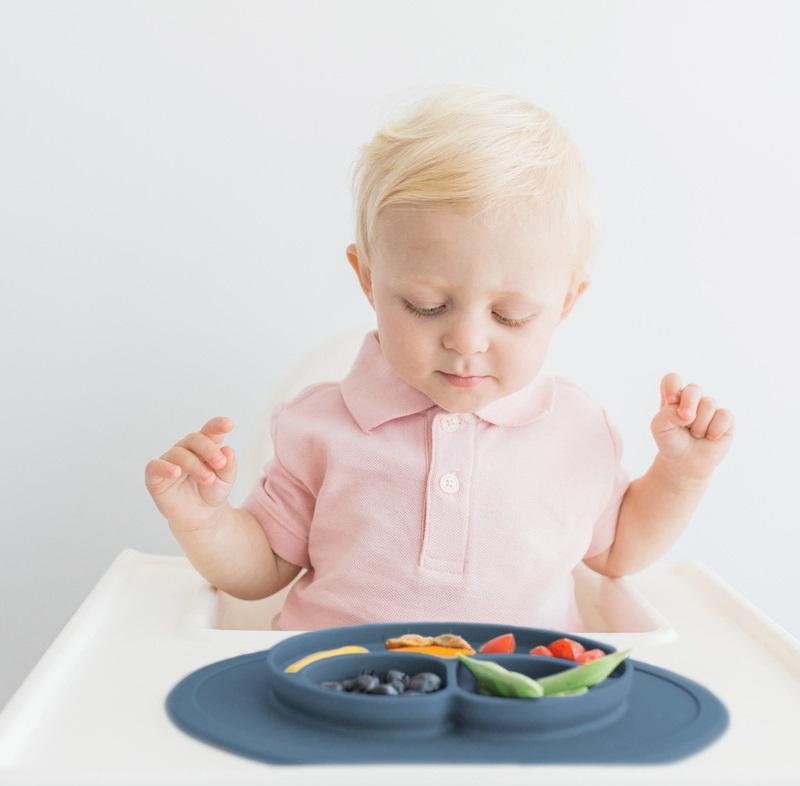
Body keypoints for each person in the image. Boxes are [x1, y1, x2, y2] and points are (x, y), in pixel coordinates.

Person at [145, 86, 735, 631]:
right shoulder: (319, 427)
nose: (468, 341)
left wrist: (682, 474)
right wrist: (204, 522)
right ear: (369, 279)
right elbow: (261, 572)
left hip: (518, 701)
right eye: (427, 306)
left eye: (510, 316)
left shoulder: (577, 431)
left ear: (566, 302)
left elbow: (616, 554)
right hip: (338, 695)